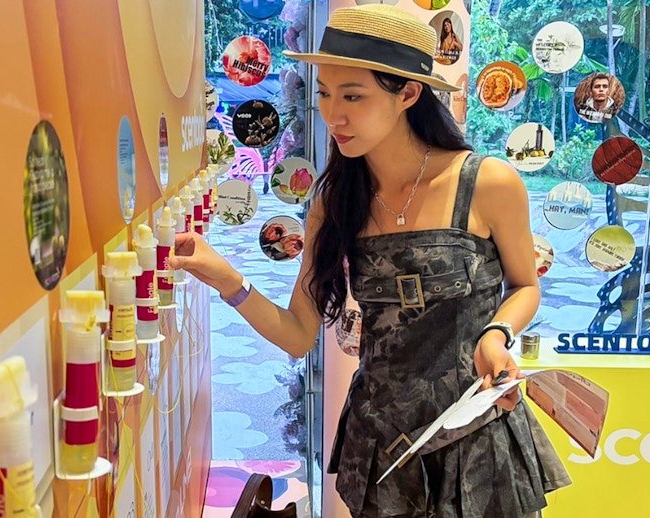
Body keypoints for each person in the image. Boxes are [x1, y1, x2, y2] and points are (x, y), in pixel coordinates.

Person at [171, 4, 570, 517]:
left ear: (407, 93)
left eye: (353, 96)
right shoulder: (335, 199)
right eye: (324, 94)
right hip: (383, 446)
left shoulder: (487, 183)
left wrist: (495, 336)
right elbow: (298, 333)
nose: (334, 114)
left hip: (478, 442)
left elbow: (525, 285)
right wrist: (225, 278)